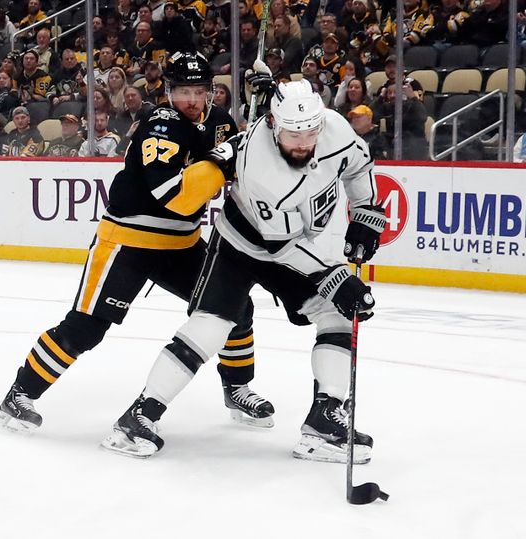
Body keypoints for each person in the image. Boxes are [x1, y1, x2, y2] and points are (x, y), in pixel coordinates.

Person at [100, 78, 386, 462]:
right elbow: (279, 245)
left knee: (335, 315)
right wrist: (336, 277)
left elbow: (358, 165)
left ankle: (325, 423)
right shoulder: (260, 164)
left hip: (290, 243)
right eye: (292, 134)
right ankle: (138, 417)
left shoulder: (333, 127)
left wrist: (366, 213)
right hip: (240, 245)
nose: (303, 143)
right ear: (272, 123)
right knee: (212, 326)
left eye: (310, 132)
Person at [0, 52, 273, 434]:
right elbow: (173, 194)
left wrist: (269, 108)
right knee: (86, 329)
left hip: (181, 243)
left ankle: (238, 388)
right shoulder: (161, 124)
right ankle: (20, 393)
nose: (189, 101)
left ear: (211, 92)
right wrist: (219, 161)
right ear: (168, 92)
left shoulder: (222, 124)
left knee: (235, 307)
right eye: (181, 92)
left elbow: (267, 156)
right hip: (128, 240)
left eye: (197, 91)